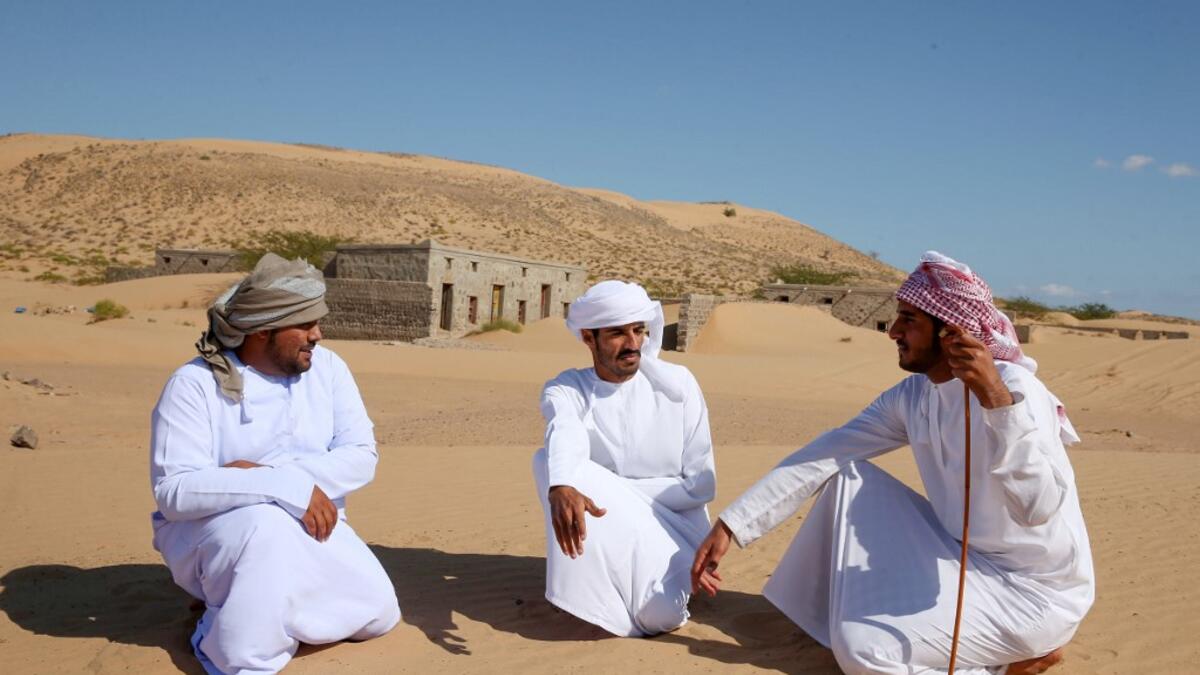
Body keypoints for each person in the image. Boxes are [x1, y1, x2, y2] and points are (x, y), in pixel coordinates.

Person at [691, 252, 1094, 675]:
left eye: (909, 320)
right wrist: (732, 525)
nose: (893, 332)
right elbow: (826, 454)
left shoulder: (1015, 389)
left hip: (1031, 593)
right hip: (961, 559)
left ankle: (1005, 666)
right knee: (846, 475)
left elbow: (1037, 507)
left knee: (864, 651)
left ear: (951, 332)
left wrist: (996, 402)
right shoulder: (913, 396)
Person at [149, 253, 400, 674]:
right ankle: (219, 636)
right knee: (263, 526)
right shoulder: (194, 384)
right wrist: (279, 489)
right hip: (218, 534)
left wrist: (272, 479)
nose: (317, 335)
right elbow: (174, 493)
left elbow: (361, 457)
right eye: (305, 324)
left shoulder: (329, 369)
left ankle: (245, 607)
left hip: (315, 525)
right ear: (263, 330)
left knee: (379, 614)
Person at [532, 280, 717, 637]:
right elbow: (564, 430)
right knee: (549, 464)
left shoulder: (678, 385)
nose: (633, 343)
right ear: (589, 338)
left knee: (661, 617)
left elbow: (701, 485)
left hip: (677, 529)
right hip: (611, 525)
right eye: (618, 333)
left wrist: (612, 492)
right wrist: (565, 484)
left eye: (639, 330)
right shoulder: (568, 389)